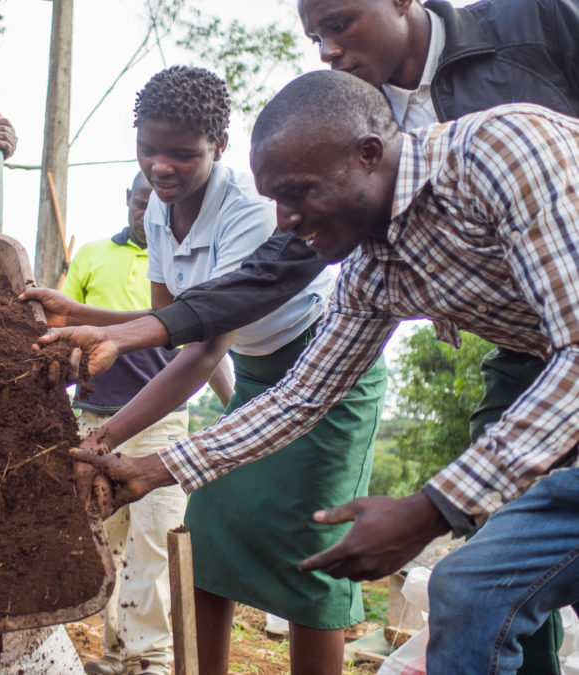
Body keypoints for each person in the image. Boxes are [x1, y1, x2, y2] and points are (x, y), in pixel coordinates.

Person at [39, 4, 579, 664]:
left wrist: (432, 505)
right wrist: (154, 468)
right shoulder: (374, 270)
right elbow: (300, 398)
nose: (288, 224)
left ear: (369, 155)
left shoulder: (503, 151)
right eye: (278, 201)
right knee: (470, 590)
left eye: (300, 195)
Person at [27, 66, 386, 675]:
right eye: (148, 150)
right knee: (210, 537)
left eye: (182, 154)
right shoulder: (162, 213)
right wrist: (83, 313)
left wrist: (106, 434)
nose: (160, 167)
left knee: (311, 559)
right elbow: (173, 322)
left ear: (218, 147)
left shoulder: (250, 212)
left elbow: (203, 346)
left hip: (326, 377)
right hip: (255, 377)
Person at [56, 172, 192, 675]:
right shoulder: (92, 255)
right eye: (140, 201)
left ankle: (150, 660)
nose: (148, 211)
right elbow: (63, 325)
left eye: (158, 202)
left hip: (162, 423)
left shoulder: (181, 264)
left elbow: (203, 344)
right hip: (95, 420)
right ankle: (118, 655)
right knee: (106, 543)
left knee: (154, 539)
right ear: (127, 200)